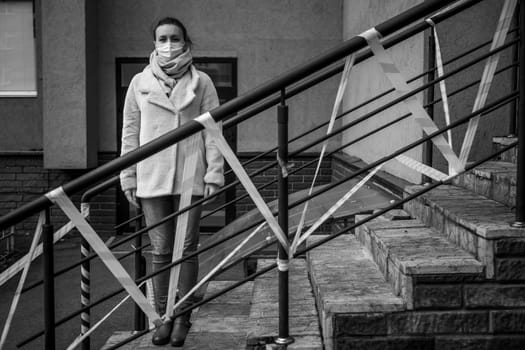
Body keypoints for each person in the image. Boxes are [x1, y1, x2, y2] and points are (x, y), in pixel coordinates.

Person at [119, 17, 223, 346]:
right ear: (154, 43)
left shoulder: (203, 81)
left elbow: (213, 131)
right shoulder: (139, 82)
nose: (168, 43)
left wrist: (214, 172)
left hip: (190, 174)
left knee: (187, 249)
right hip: (151, 177)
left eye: (173, 37)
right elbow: (130, 133)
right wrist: (128, 175)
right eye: (162, 38)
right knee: (161, 251)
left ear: (185, 40)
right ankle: (161, 316)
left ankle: (184, 317)